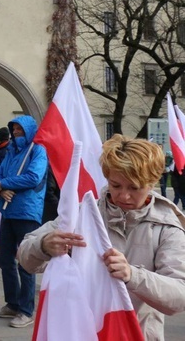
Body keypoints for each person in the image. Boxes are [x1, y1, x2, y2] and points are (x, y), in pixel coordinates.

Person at [17, 135, 185, 339]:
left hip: (138, 334)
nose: (124, 196)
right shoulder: (85, 215)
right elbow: (25, 258)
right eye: (116, 186)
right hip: (85, 331)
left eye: (134, 187)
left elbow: (179, 297)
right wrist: (43, 245)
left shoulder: (167, 227)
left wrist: (132, 275)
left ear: (151, 183)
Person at [0, 116, 47, 329]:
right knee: (5, 260)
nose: (16, 132)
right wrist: (0, 187)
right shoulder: (12, 150)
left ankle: (26, 310)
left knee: (25, 262)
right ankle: (12, 303)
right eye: (13, 129)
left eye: (20, 129)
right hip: (8, 210)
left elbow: (33, 177)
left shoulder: (37, 151)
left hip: (27, 211)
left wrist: (4, 183)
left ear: (28, 130)